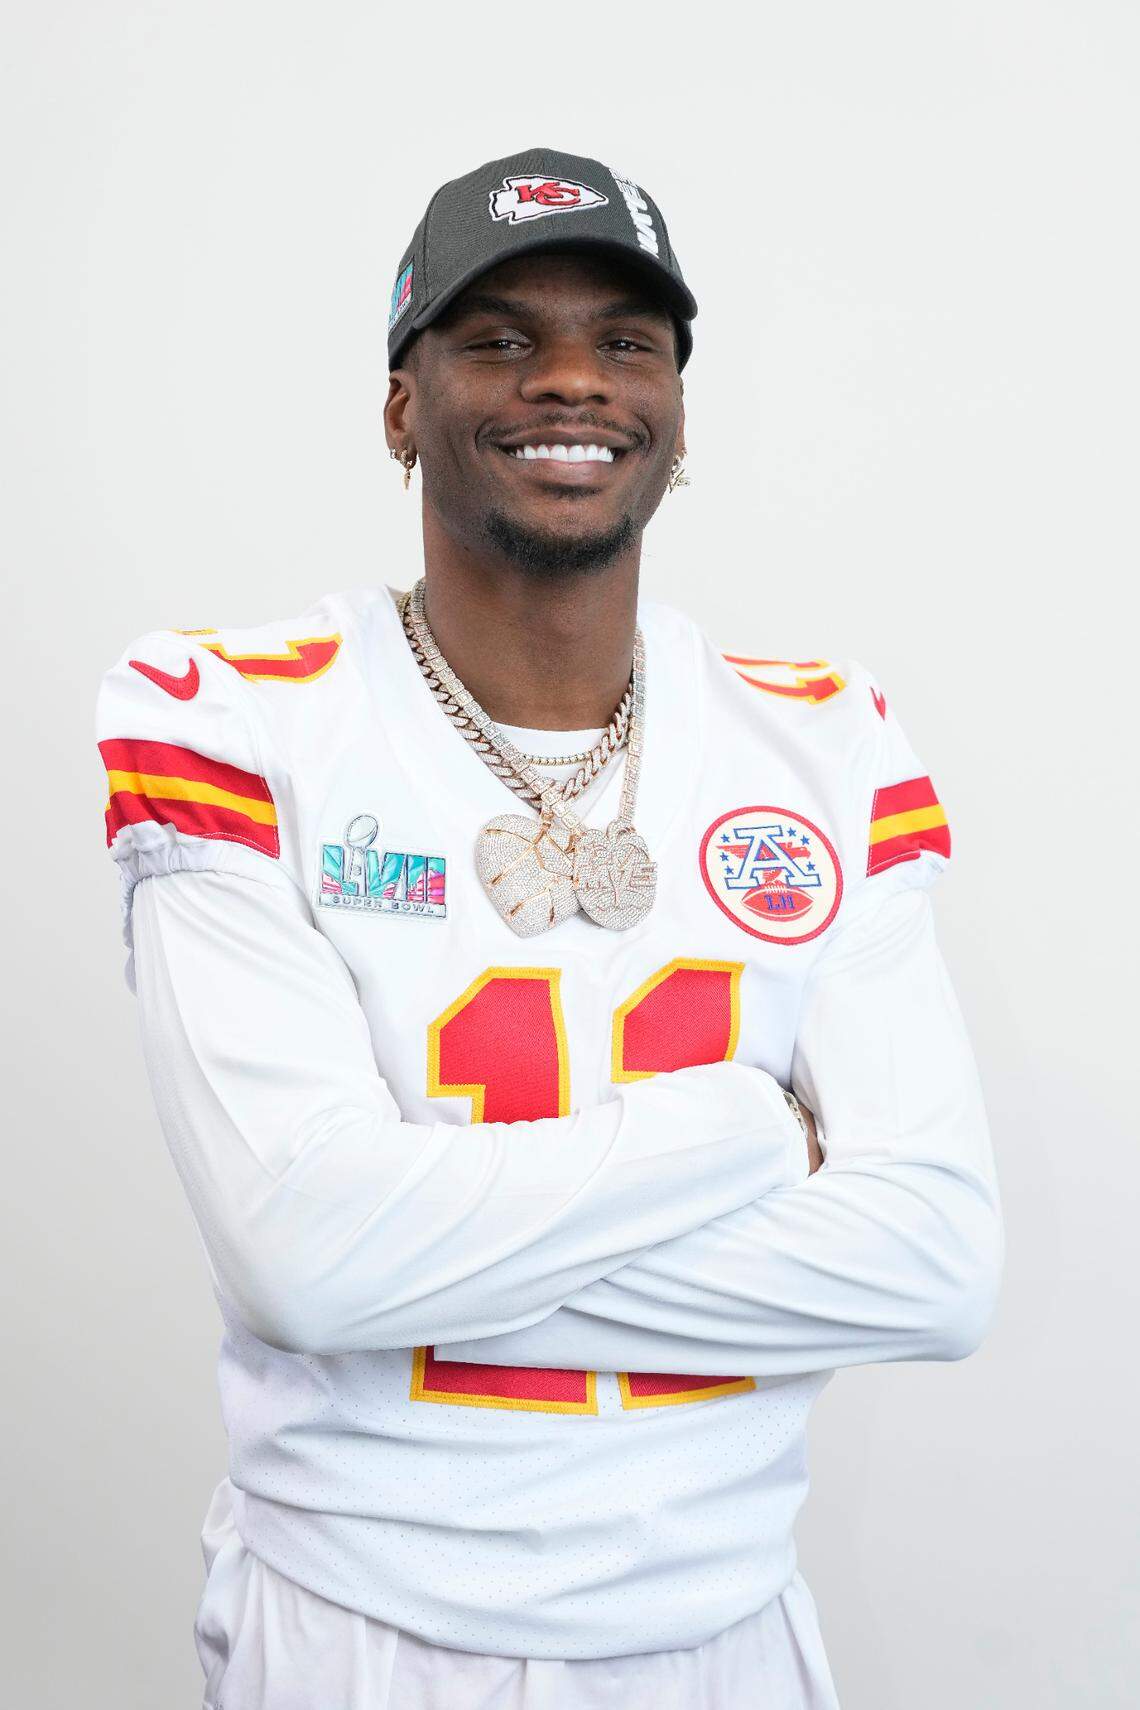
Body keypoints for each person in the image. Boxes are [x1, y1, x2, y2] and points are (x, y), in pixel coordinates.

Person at [95, 147, 1004, 1709]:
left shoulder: (827, 743)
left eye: (624, 340)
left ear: (674, 415)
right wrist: (737, 1129)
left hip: (724, 1629)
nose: (570, 377)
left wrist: (410, 1238)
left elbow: (933, 1266)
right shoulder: (233, 712)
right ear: (402, 403)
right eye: (501, 337)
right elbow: (303, 1261)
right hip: (363, 1628)